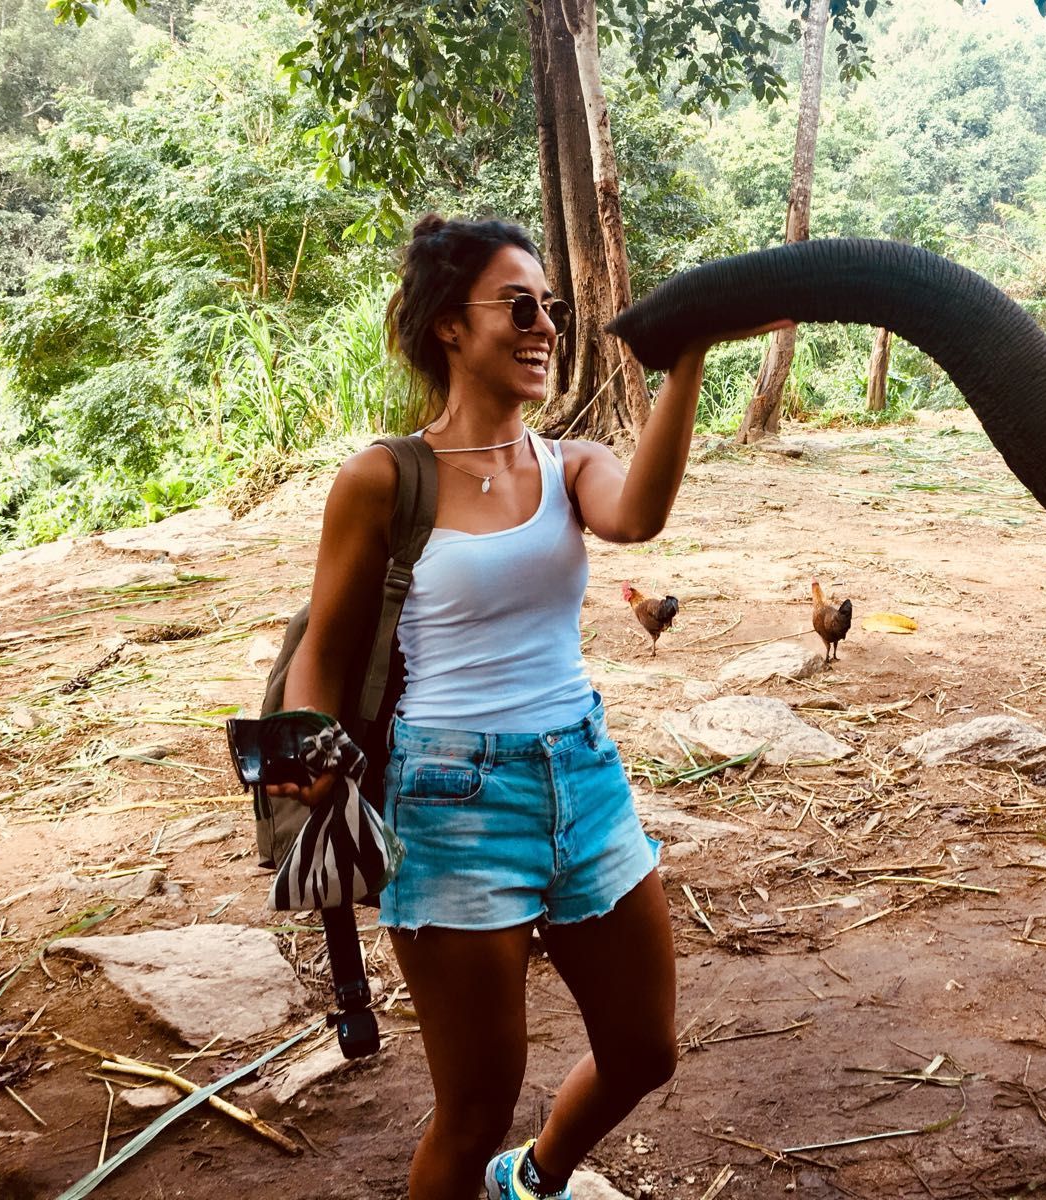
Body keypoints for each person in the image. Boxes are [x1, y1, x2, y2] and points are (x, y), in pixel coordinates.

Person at [269, 215, 783, 1200]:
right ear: (450, 328)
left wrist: (685, 363)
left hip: (584, 784)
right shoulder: (381, 480)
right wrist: (312, 765)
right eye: (518, 305)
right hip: (449, 806)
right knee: (471, 1112)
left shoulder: (570, 464)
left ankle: (536, 1176)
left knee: (644, 1052)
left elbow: (640, 515)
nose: (543, 323)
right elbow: (323, 659)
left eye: (549, 306)